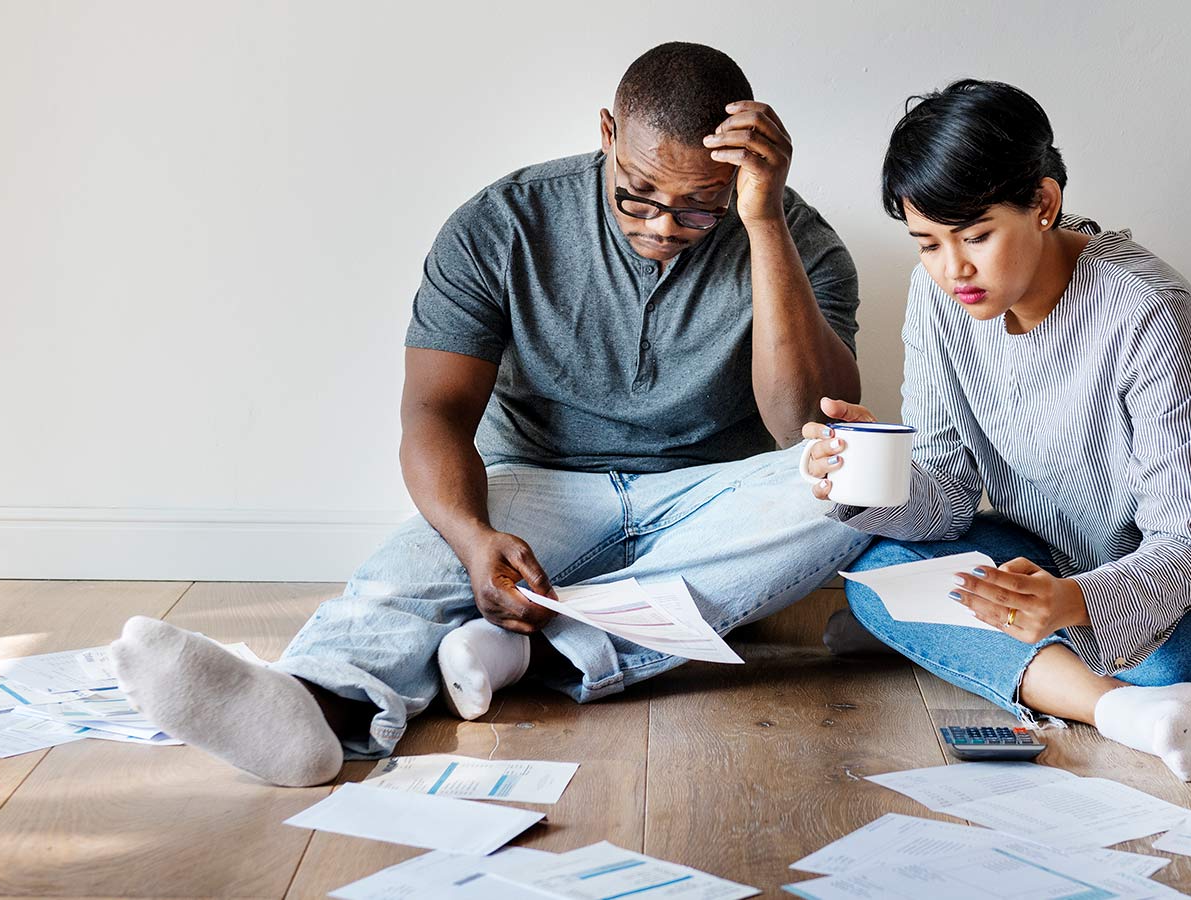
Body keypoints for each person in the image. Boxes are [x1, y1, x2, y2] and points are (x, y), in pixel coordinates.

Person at [109, 42, 872, 787]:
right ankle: (312, 702)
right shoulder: (504, 223)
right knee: (417, 561)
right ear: (606, 135)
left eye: (700, 208)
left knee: (853, 485)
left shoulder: (797, 239)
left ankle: (538, 654)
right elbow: (433, 412)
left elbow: (801, 424)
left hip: (710, 498)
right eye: (637, 192)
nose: (663, 227)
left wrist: (761, 224)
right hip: (539, 485)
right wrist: (473, 537)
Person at [804, 79, 1191, 782]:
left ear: (1043, 203)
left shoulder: (1146, 311)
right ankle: (1119, 710)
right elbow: (946, 498)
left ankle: (1027, 665)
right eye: (927, 244)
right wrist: (856, 476)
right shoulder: (939, 298)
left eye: (976, 236)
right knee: (877, 572)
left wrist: (1072, 602)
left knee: (1169, 661)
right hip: (1065, 557)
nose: (954, 270)